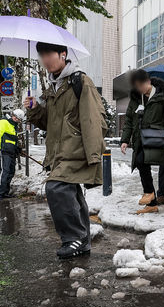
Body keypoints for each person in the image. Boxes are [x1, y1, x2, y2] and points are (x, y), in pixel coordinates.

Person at [25, 42, 106, 260]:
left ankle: (74, 238)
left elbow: (93, 119)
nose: (45, 59)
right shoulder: (54, 87)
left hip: (77, 148)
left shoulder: (80, 82)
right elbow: (50, 122)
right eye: (42, 55)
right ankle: (82, 240)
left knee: (56, 188)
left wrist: (94, 154)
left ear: (63, 54)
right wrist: (34, 110)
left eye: (49, 53)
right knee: (71, 192)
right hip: (60, 151)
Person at [121, 70, 164, 214]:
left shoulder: (163, 96)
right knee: (140, 163)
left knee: (142, 161)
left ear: (148, 82)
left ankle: (151, 194)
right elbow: (128, 120)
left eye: (140, 85)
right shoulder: (135, 98)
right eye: (136, 86)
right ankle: (151, 201)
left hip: (156, 138)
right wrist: (125, 140)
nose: (139, 88)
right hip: (140, 139)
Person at [0, 109, 25, 200]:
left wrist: (17, 148)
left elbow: (11, 140)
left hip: (11, 152)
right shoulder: (3, 122)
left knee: (11, 172)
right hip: (3, 152)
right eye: (18, 119)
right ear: (14, 116)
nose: (19, 121)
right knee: (4, 172)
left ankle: (4, 192)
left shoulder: (13, 125)